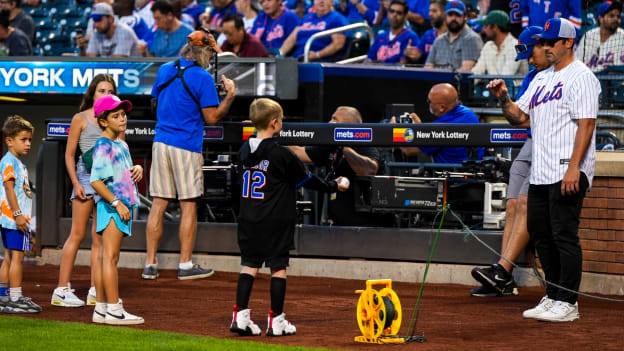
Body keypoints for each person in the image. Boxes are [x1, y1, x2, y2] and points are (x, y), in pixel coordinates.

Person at [486, 18, 600, 322]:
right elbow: (519, 117)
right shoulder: (540, 78)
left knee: (564, 234)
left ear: (568, 43)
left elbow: (587, 124)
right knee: (541, 234)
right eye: (543, 42)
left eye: (551, 42)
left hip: (567, 169)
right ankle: (552, 295)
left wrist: (575, 168)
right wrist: (504, 99)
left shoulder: (582, 77)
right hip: (541, 170)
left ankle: (569, 301)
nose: (546, 47)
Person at [230, 98, 349, 337]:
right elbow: (306, 180)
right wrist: (333, 186)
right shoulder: (280, 153)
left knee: (249, 265)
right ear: (274, 123)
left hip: (248, 218)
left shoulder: (244, 150)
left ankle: (240, 317)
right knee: (278, 267)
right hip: (275, 219)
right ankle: (277, 321)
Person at [142, 30, 236, 280]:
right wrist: (230, 97)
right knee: (188, 205)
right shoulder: (202, 77)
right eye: (209, 52)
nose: (211, 57)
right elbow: (212, 118)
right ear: (202, 51)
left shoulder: (164, 70)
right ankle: (185, 265)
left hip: (161, 142)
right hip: (186, 146)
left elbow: (154, 103)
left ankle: (150, 264)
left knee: (159, 204)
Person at [471, 26, 550, 297]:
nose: (529, 60)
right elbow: (518, 117)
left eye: (531, 53)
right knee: (513, 202)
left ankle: (502, 270)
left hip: (550, 144)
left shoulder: (562, 76)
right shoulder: (531, 77)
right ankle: (501, 274)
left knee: (526, 201)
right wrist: (504, 98)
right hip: (531, 142)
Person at [51, 74, 119, 308]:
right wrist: (77, 184)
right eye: (102, 90)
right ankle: (61, 289)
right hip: (84, 176)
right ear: (92, 93)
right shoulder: (80, 118)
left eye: (110, 91)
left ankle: (94, 289)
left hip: (107, 178)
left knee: (99, 237)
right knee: (77, 235)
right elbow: (69, 155)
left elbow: (120, 151)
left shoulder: (115, 119)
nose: (106, 94)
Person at [90, 94, 144, 325]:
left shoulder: (120, 143)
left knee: (107, 258)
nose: (122, 119)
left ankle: (101, 309)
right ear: (103, 121)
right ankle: (114, 310)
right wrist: (117, 203)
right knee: (110, 259)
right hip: (113, 207)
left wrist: (138, 168)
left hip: (116, 206)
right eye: (116, 116)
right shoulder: (103, 144)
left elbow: (125, 170)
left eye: (123, 114)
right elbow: (96, 181)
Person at [288, 106, 390, 227]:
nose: (329, 122)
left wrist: (345, 145)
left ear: (349, 126)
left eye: (334, 119)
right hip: (339, 223)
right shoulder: (330, 146)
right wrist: (272, 139)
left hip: (366, 224)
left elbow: (369, 170)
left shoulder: (367, 145)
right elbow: (299, 152)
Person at [0, 115, 41, 314]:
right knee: (17, 257)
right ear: (9, 140)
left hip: (10, 219)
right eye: (23, 139)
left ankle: (3, 297)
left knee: (9, 257)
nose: (28, 144)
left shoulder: (16, 162)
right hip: (14, 219)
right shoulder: (10, 162)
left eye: (29, 140)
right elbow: (9, 189)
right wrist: (18, 215)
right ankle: (15, 297)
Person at [396, 83, 484, 163]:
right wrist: (420, 128)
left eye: (430, 102)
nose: (428, 104)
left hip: (451, 176)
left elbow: (408, 150)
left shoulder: (441, 128)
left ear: (442, 107)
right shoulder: (469, 114)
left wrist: (395, 130)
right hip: (471, 173)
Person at [278, 0, 349, 60]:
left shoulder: (337, 19)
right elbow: (291, 39)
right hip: (299, 57)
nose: (321, 1)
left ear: (332, 1)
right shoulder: (306, 18)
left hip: (322, 60)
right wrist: (280, 54)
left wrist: (317, 55)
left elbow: (338, 44)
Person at [424, 1, 483, 71]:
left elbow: (466, 70)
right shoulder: (439, 40)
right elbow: (428, 67)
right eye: (450, 15)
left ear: (465, 17)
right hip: (435, 81)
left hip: (459, 81)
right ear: (445, 16)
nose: (453, 18)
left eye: (457, 15)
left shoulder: (471, 39)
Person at [472, 10, 528, 77]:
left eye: (486, 26)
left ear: (495, 27)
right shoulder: (488, 46)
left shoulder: (516, 46)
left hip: (514, 87)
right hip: (494, 86)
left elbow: (506, 77)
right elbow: (477, 72)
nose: (483, 29)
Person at [575, 1, 624, 72]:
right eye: (611, 16)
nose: (616, 19)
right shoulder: (589, 36)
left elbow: (617, 70)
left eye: (618, 16)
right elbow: (577, 63)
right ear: (601, 18)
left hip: (612, 80)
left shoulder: (622, 37)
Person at [404, 0, 447, 64]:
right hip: (427, 71)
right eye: (429, 11)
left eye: (434, 11)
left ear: (444, 13)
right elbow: (417, 55)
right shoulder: (428, 35)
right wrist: (410, 53)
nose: (430, 14)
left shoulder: (453, 35)